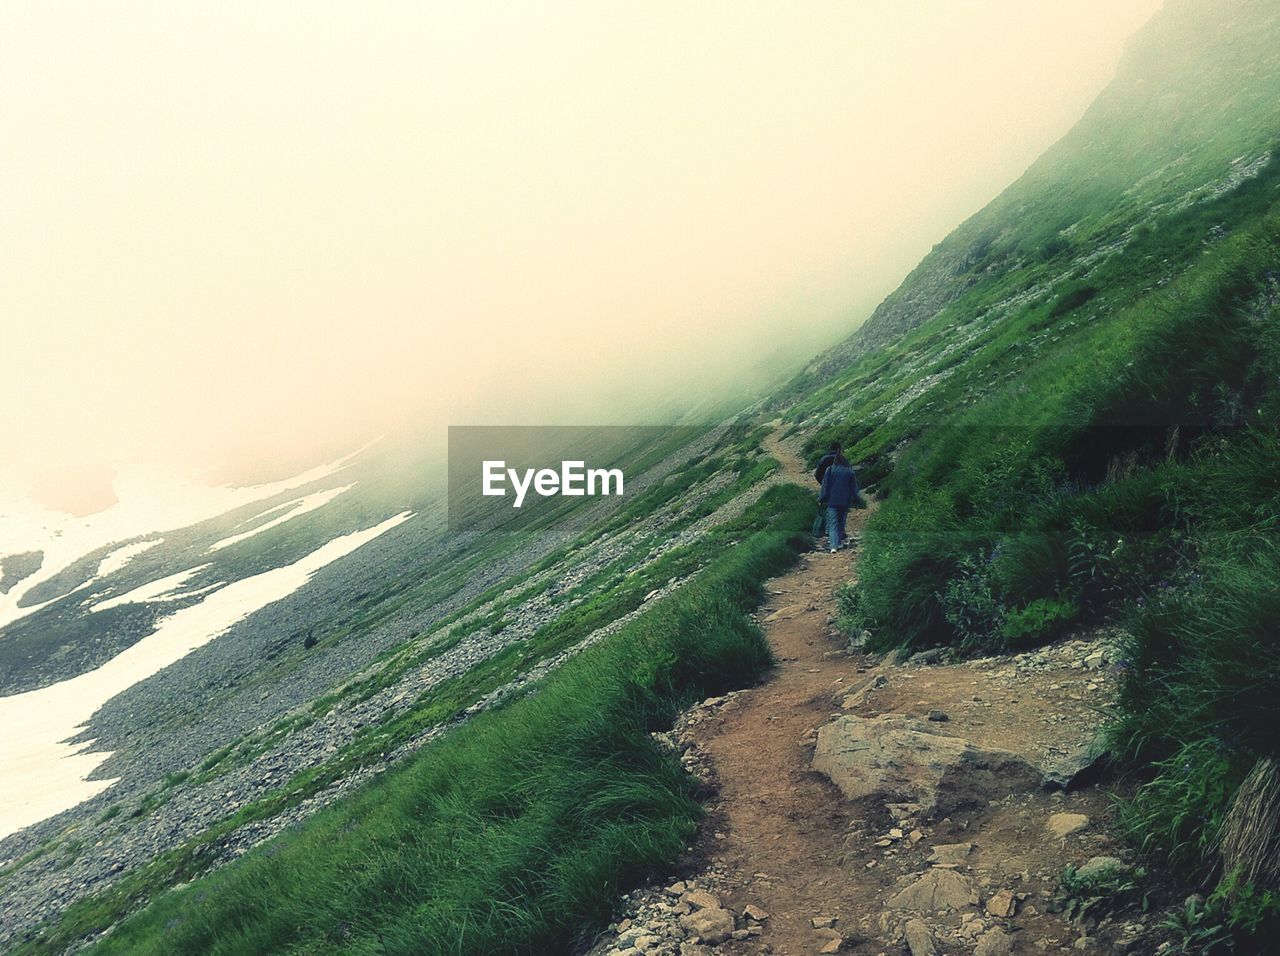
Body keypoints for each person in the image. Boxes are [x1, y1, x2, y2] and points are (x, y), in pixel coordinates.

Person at [819, 453, 860, 552]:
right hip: (845, 501)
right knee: (841, 522)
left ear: (835, 461)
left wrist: (821, 498)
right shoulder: (849, 471)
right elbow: (854, 488)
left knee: (833, 524)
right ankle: (839, 543)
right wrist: (856, 499)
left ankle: (833, 546)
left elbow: (825, 486)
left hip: (832, 501)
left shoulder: (830, 470)